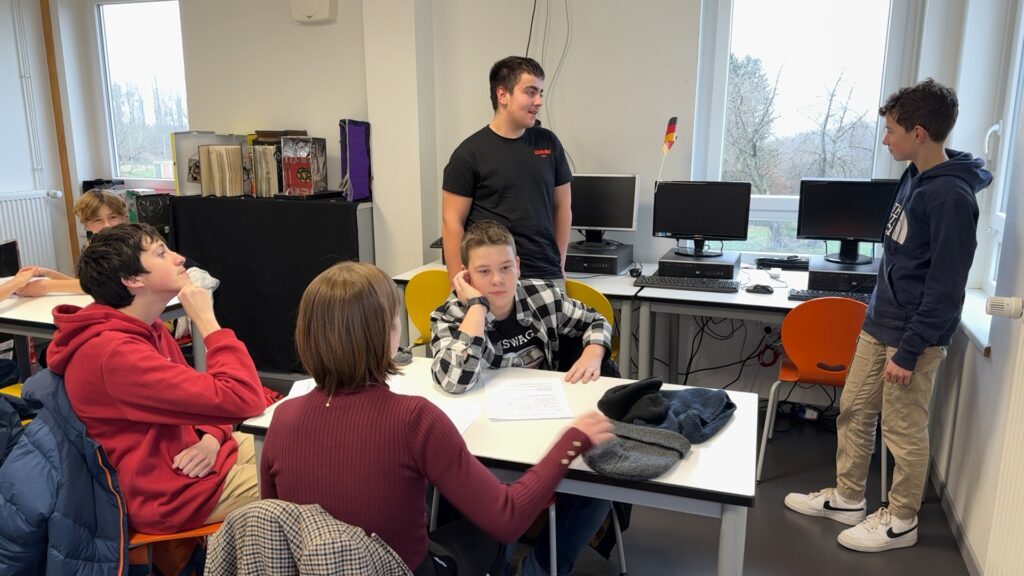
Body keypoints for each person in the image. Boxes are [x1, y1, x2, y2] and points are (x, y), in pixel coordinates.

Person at [260, 261, 613, 575]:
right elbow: (507, 518)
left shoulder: (283, 417)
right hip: (406, 567)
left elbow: (277, 524)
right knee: (489, 533)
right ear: (386, 334)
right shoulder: (414, 419)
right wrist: (572, 440)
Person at [784, 78, 992, 552]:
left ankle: (901, 521)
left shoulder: (952, 198)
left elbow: (945, 285)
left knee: (902, 430)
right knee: (854, 410)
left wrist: (912, 348)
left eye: (892, 130)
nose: (885, 139)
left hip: (913, 338)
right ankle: (847, 497)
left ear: (919, 133)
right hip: (880, 322)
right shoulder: (915, 176)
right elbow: (900, 257)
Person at [46, 223, 268, 534]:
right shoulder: (115, 354)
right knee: (316, 477)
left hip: (198, 455)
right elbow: (243, 398)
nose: (179, 258)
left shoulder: (147, 327)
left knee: (298, 445)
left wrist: (210, 438)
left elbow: (211, 403)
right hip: (173, 493)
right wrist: (207, 321)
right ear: (132, 280)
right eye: (162, 253)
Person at [430, 220, 613, 575]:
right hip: (487, 437)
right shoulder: (450, 314)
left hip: (545, 423)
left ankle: (540, 567)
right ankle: (495, 566)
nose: (497, 280)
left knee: (598, 490)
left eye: (505, 268)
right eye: (484, 272)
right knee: (496, 496)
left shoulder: (542, 295)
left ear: (518, 266)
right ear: (465, 277)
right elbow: (453, 380)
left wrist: (593, 350)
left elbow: (596, 320)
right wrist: (477, 309)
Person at [442, 55, 572, 286]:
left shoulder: (549, 143)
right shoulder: (468, 154)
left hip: (545, 273)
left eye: (541, 93)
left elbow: (562, 206)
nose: (539, 101)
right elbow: (452, 222)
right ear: (503, 95)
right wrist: (458, 284)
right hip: (492, 276)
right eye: (530, 92)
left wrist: (559, 264)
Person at [14, 189, 127, 297]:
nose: (107, 225)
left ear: (123, 218)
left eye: (113, 217)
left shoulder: (129, 245)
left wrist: (46, 285)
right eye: (97, 220)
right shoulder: (92, 245)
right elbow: (84, 284)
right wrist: (49, 274)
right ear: (86, 225)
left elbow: (108, 287)